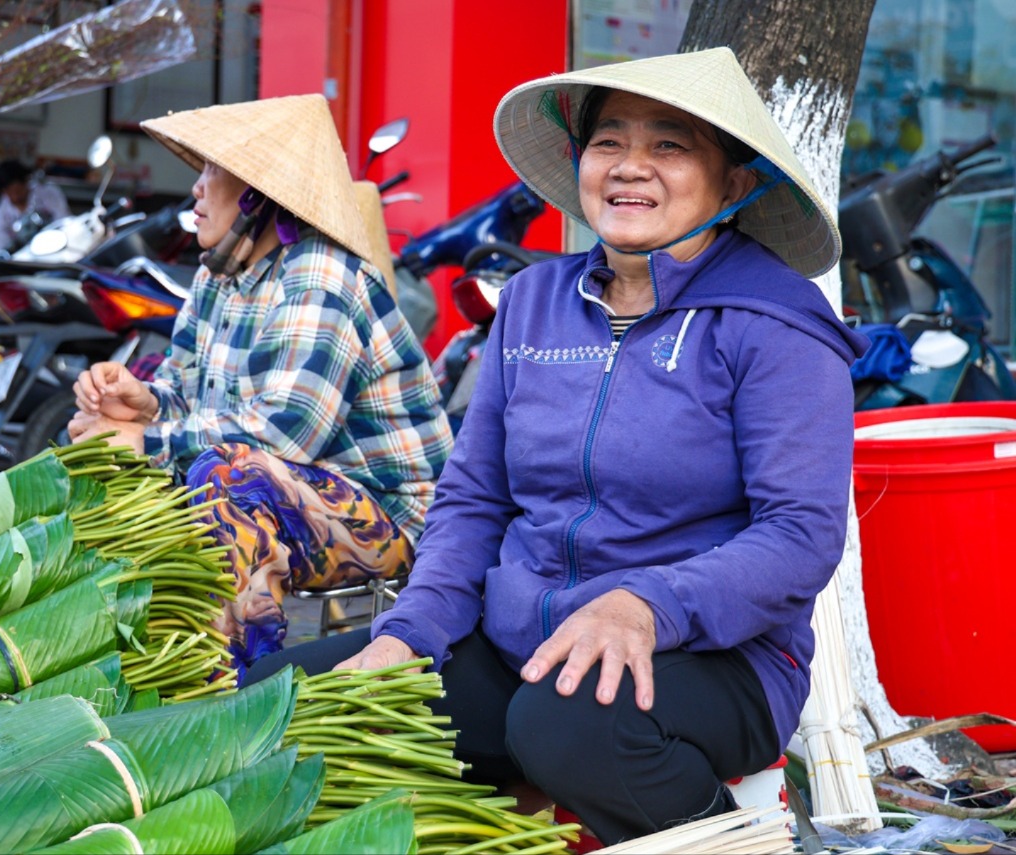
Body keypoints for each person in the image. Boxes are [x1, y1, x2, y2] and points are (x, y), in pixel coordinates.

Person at [248, 48, 869, 846]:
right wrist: (411, 632)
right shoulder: (536, 301)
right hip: (520, 639)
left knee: (565, 726)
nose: (630, 168)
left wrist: (646, 603)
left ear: (734, 183)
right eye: (609, 142)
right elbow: (475, 497)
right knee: (287, 703)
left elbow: (797, 537)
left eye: (670, 146)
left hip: (713, 657)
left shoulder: (775, 324)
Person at [68, 94, 453, 678]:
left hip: (391, 518)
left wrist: (145, 442)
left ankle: (233, 690)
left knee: (232, 478)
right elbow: (181, 393)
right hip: (285, 489)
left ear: (255, 193)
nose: (196, 190)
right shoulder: (216, 279)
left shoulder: (320, 275)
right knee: (93, 452)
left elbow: (281, 433)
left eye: (211, 172)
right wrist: (137, 407)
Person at [0, 159, 69, 252]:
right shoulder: (1, 214)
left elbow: (64, 223)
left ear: (26, 182)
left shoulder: (48, 194)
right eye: (10, 193)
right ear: (3, 191)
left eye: (18, 191)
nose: (15, 196)